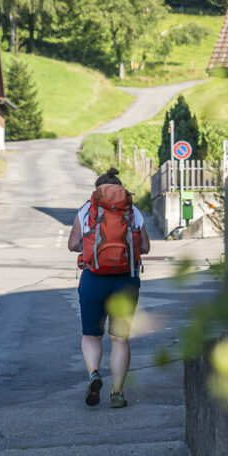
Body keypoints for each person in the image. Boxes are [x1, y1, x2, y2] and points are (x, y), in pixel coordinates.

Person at [67, 167, 150, 408]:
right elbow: (144, 247)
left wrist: (92, 243)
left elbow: (73, 245)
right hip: (126, 279)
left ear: (97, 191)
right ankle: (117, 392)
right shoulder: (132, 211)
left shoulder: (87, 210)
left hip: (93, 278)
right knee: (119, 339)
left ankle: (94, 373)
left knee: (91, 335)